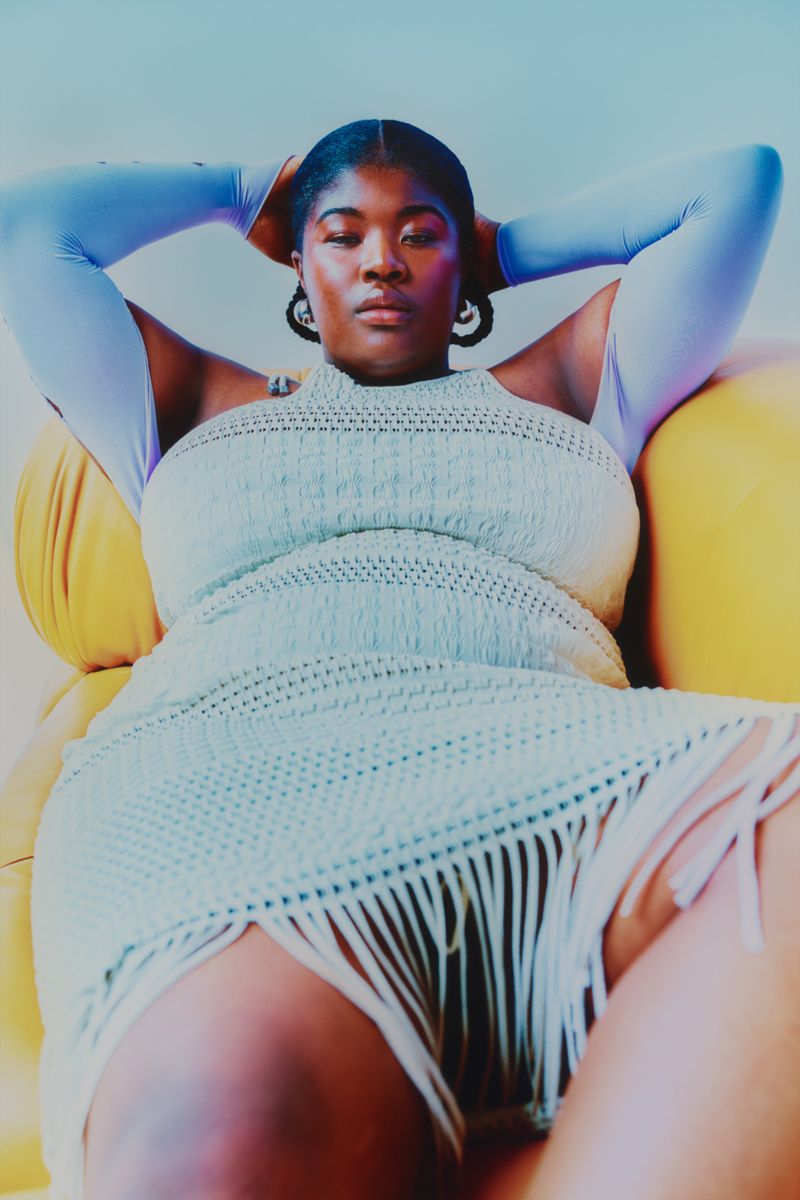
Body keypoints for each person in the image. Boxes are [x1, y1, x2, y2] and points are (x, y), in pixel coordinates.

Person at [0, 118, 797, 1200]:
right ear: (297, 260)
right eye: (341, 234)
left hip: (561, 762)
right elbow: (29, 229)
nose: (381, 259)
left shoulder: (560, 383)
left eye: (418, 234)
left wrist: (501, 247)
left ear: (458, 260)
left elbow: (736, 184)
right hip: (230, 797)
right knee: (223, 1128)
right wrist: (246, 191)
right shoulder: (191, 403)